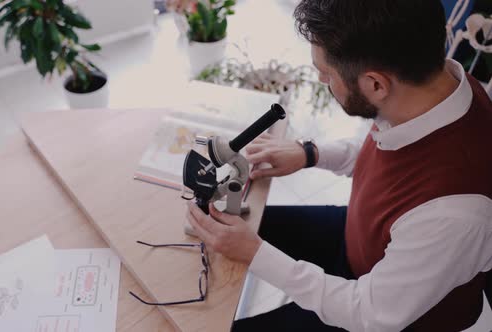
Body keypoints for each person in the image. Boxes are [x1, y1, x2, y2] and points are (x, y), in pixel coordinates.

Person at [185, 0, 492, 331]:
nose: (320, 79)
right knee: (236, 223)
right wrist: (309, 153)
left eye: (326, 73)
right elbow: (387, 146)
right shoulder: (436, 84)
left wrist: (255, 254)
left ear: (376, 85)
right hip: (365, 238)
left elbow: (368, 313)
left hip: (383, 310)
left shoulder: (453, 213)